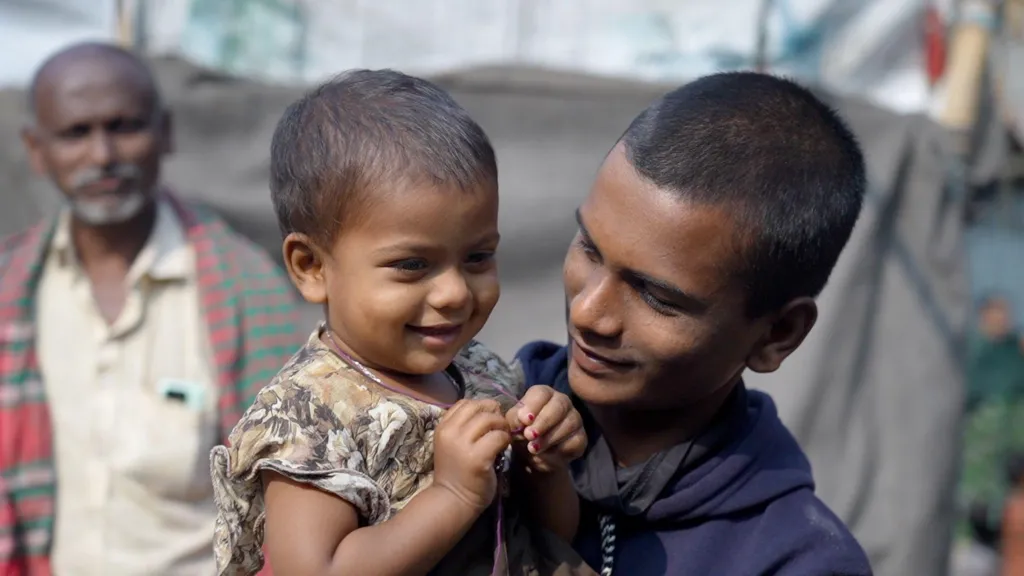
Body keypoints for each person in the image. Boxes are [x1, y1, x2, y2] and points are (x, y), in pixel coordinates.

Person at [210, 69, 593, 576]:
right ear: (312, 267)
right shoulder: (311, 416)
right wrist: (452, 494)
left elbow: (554, 536)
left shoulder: (482, 376)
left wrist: (544, 467)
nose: (455, 293)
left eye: (478, 257)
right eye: (412, 265)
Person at [515, 72, 873, 575]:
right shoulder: (464, 417)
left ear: (777, 335)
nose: (588, 313)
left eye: (657, 297)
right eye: (589, 249)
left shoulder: (795, 562)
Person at [0, 42, 302, 575]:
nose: (102, 155)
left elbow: (292, 489)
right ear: (36, 149)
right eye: (76, 133)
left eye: (124, 127)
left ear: (165, 132)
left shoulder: (244, 290)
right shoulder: (10, 288)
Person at [958, 295, 1024, 557]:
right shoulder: (972, 353)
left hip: (1007, 461)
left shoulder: (1014, 355)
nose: (1002, 319)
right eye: (996, 313)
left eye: (1005, 313)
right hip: (973, 460)